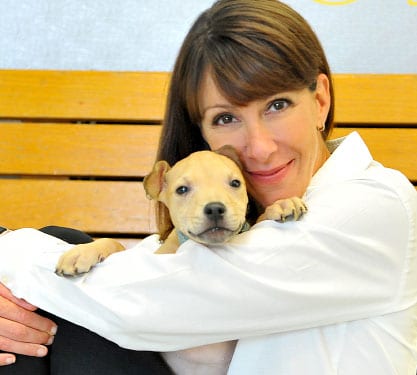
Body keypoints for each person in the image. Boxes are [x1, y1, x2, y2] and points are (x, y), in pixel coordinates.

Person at [1, 0, 416, 373]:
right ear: (203, 134)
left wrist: (6, 256)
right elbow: (153, 265)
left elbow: (145, 304)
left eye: (277, 105)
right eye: (225, 118)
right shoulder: (243, 223)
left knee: (54, 293)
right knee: (53, 272)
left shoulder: (372, 206)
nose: (259, 147)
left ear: (321, 99)